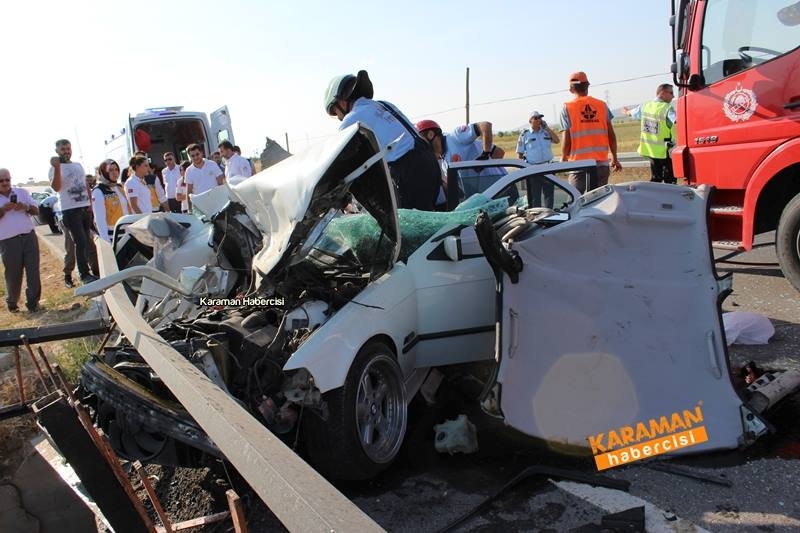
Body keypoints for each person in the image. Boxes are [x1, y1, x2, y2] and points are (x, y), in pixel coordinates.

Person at [325, 70, 440, 210]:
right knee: (426, 217)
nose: (339, 118)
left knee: (408, 227)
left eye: (335, 111)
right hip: (429, 161)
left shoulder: (352, 119)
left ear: (342, 103)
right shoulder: (384, 104)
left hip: (408, 171)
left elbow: (337, 165)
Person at [415, 119, 505, 208]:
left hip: (502, 192)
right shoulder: (444, 164)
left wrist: (485, 154)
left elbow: (485, 125)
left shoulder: (455, 137)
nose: (424, 150)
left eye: (424, 144)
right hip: (485, 201)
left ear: (431, 134)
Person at [559, 72, 622, 192]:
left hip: (579, 167)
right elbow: (611, 135)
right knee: (600, 202)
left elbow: (566, 138)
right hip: (601, 165)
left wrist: (563, 157)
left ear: (571, 89)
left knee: (578, 203)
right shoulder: (602, 105)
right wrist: (614, 157)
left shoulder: (567, 108)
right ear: (587, 86)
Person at [49, 139, 99, 285]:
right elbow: (56, 187)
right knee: (80, 242)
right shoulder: (54, 168)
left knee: (87, 242)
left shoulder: (77, 165)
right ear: (57, 151)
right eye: (63, 149)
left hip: (85, 208)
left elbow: (85, 185)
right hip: (70, 210)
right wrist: (57, 167)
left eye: (68, 148)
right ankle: (84, 275)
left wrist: (90, 203)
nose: (66, 151)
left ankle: (92, 272)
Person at [0, 168, 41, 312]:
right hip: (8, 241)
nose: (5, 183)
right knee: (13, 274)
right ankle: (12, 302)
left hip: (28, 236)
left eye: (7, 179)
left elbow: (36, 211)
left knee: (33, 271)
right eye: (1, 180)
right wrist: (3, 209)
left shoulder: (22, 192)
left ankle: (33, 303)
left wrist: (26, 206)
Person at [630, 84, 677, 184]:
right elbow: (678, 120)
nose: (673, 96)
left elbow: (632, 113)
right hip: (665, 151)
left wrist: (626, 111)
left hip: (651, 151)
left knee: (656, 181)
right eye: (671, 93)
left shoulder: (645, 106)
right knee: (670, 182)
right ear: (662, 93)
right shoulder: (667, 108)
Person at [516, 111, 561, 208]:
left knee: (549, 195)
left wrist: (547, 128)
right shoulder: (525, 134)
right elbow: (519, 154)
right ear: (530, 121)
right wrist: (522, 171)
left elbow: (557, 140)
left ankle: (550, 216)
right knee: (535, 196)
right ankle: (537, 219)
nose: (538, 120)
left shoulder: (546, 132)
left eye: (540, 118)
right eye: (535, 118)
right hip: (533, 169)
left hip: (548, 167)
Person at [92, 160, 131, 243]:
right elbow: (99, 219)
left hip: (127, 234)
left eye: (116, 169)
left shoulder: (120, 187)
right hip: (112, 236)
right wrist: (106, 241)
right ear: (103, 172)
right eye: (110, 170)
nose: (115, 173)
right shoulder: (98, 191)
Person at [184, 143, 224, 211]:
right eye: (192, 156)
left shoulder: (212, 164)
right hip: (201, 207)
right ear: (189, 157)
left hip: (217, 203)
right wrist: (189, 209)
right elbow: (189, 192)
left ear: (201, 153)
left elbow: (221, 184)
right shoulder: (188, 171)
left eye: (197, 154)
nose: (195, 157)